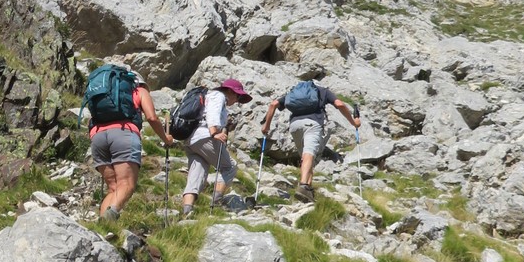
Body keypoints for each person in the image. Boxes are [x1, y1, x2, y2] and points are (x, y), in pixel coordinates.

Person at [89, 67, 170, 220]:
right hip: (124, 134)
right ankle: (109, 218)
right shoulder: (139, 91)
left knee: (113, 189)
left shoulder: (105, 94)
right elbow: (152, 118)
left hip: (98, 136)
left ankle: (102, 228)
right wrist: (166, 138)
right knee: (126, 185)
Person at [260, 80, 360, 202]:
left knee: (306, 159)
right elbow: (340, 105)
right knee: (309, 154)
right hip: (312, 124)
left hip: (295, 126)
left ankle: (308, 194)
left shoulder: (294, 92)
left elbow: (273, 104)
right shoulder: (323, 91)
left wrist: (266, 125)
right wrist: (353, 122)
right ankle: (303, 185)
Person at [178, 78, 253, 216]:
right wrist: (213, 133)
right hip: (204, 136)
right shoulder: (218, 96)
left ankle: (187, 209)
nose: (237, 100)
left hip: (191, 140)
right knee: (229, 166)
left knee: (197, 172)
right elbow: (212, 113)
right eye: (237, 96)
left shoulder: (208, 97)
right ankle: (216, 201)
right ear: (230, 91)